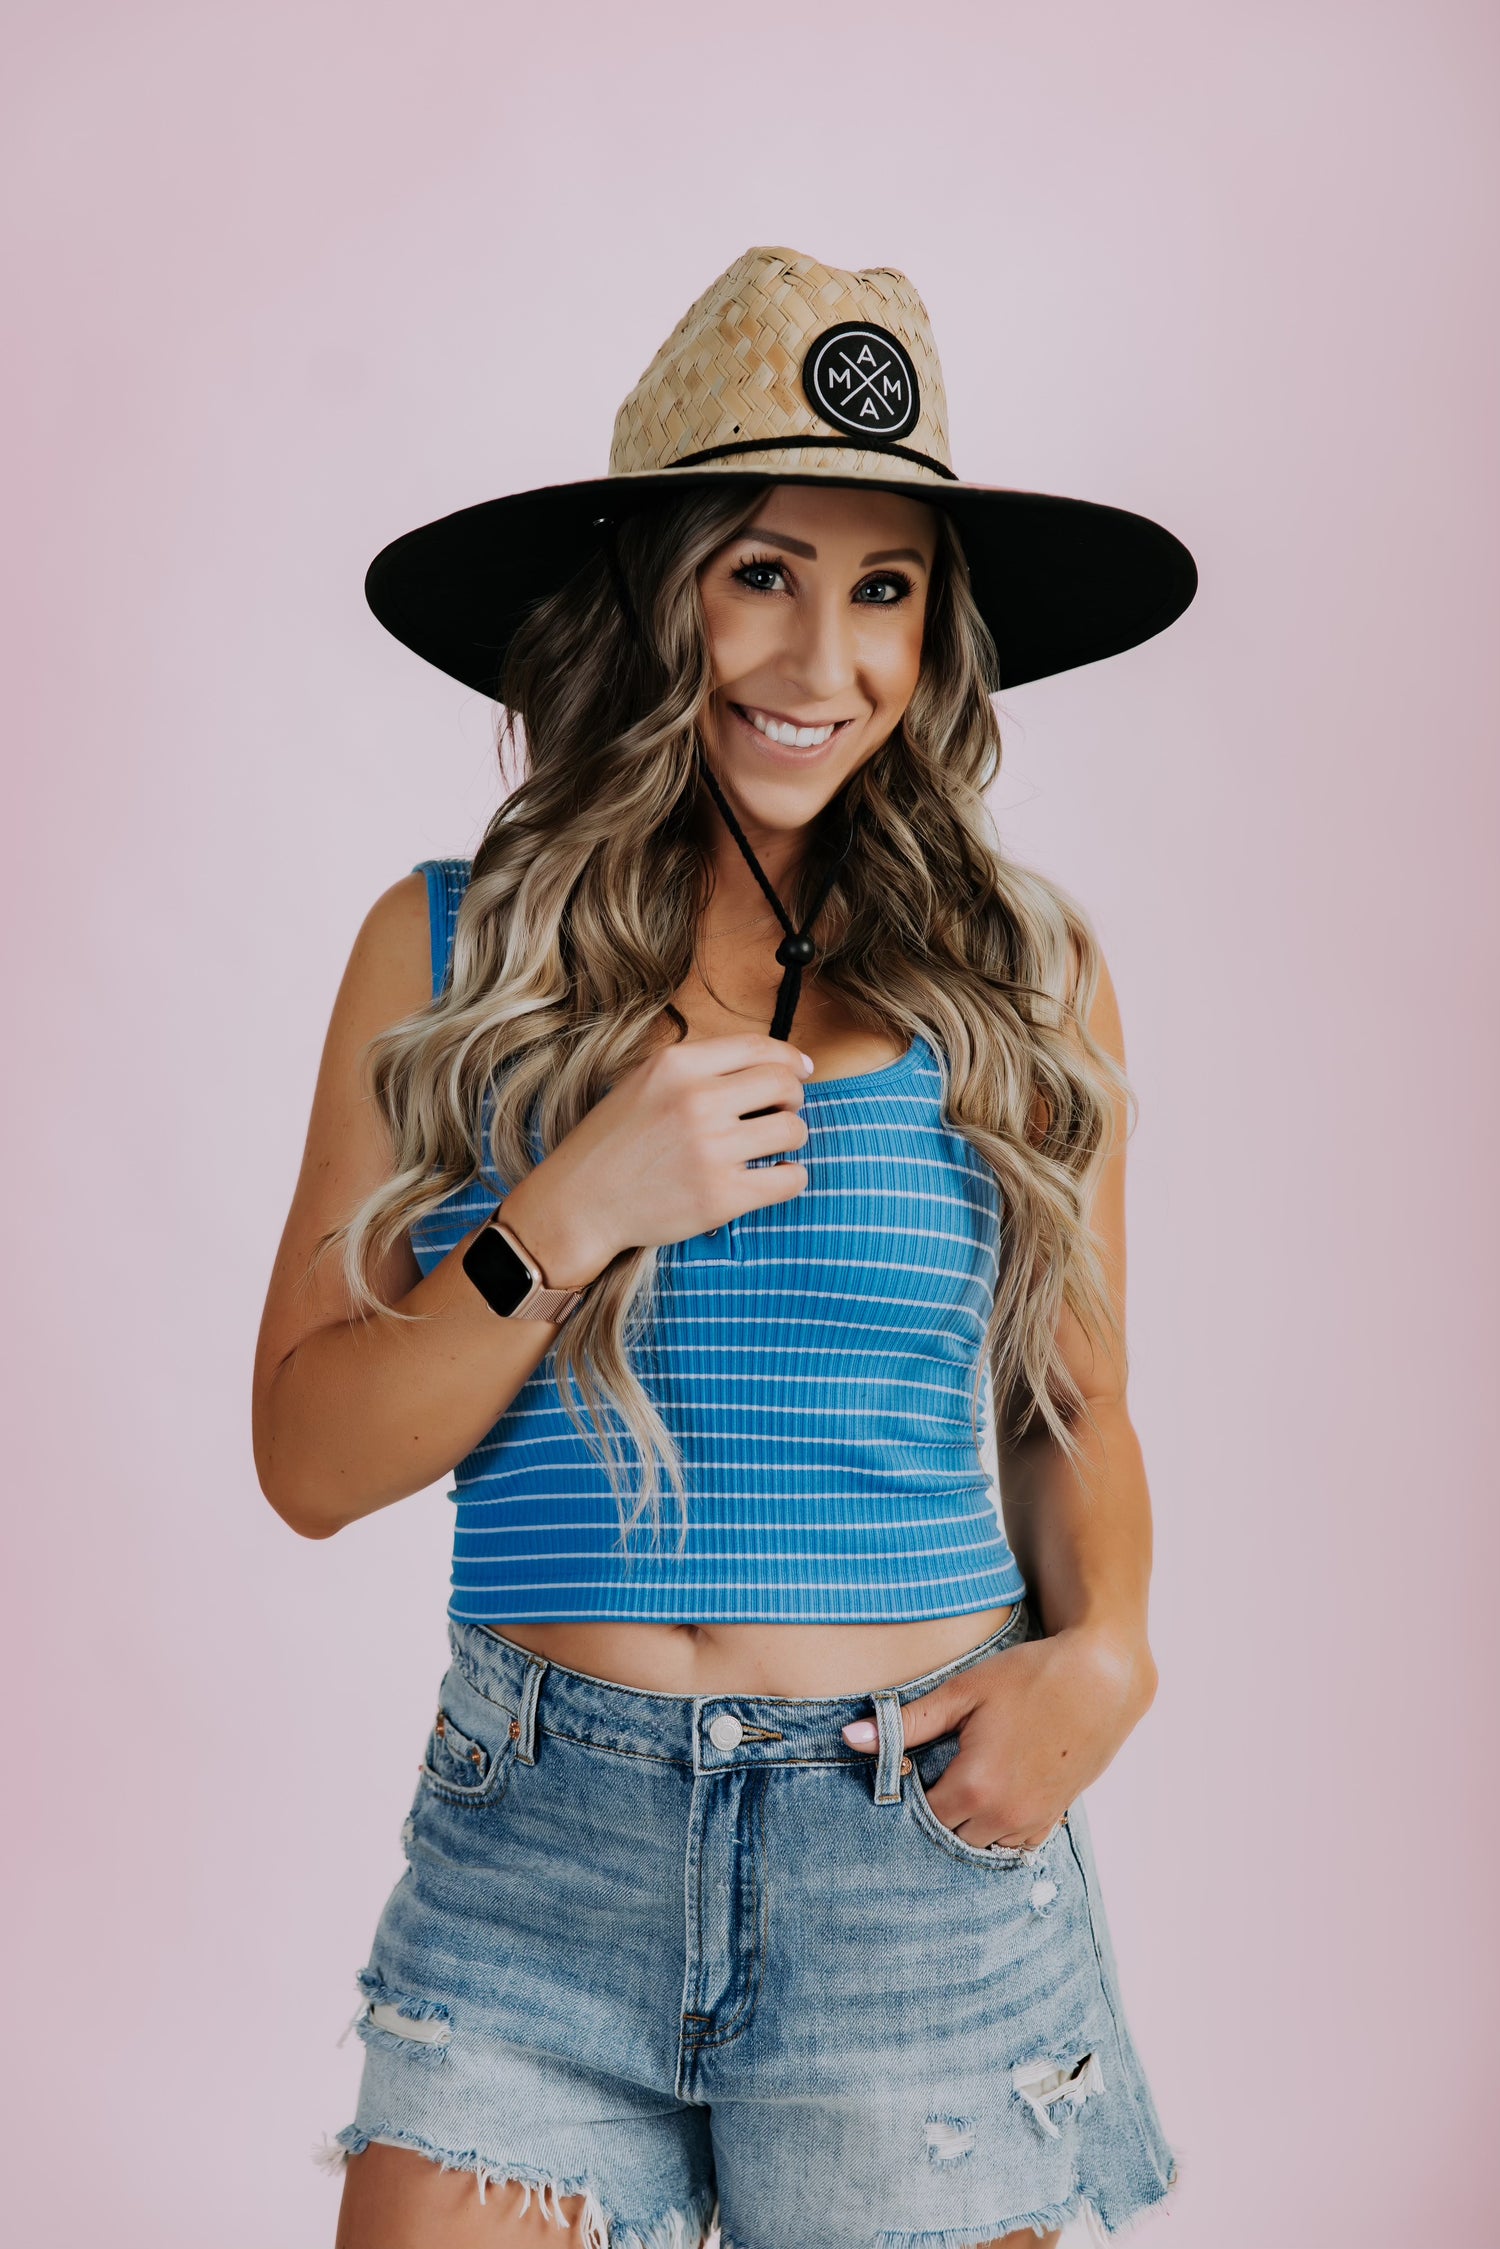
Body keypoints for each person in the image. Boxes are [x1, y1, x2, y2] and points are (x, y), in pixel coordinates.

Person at [253, 246, 1197, 2249]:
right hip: (534, 1863)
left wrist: (1108, 1650)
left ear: (936, 630)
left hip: (906, 1856)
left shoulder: (1024, 977)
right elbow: (311, 1459)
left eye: (887, 589)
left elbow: (1074, 1407)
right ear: (652, 588)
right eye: (763, 571)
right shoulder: (445, 952)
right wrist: (565, 1213)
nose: (822, 658)